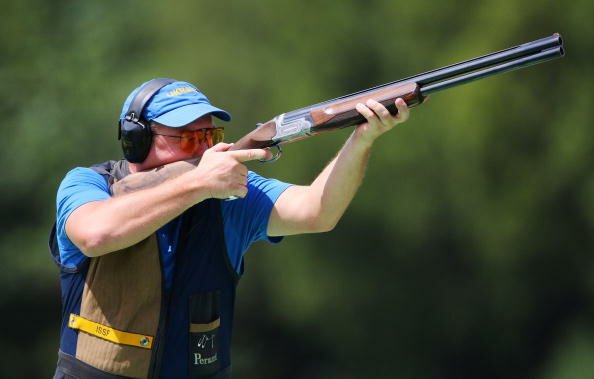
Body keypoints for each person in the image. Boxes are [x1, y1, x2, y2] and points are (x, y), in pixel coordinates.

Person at [50, 78, 410, 379]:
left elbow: (318, 211)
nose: (205, 150)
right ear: (137, 138)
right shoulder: (88, 184)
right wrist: (199, 184)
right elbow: (95, 234)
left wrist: (361, 139)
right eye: (189, 139)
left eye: (210, 136)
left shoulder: (229, 193)